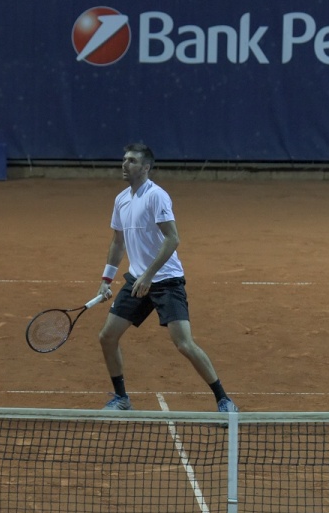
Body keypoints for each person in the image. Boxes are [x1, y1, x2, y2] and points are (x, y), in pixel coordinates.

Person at [96, 143, 239, 412]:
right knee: (107, 337)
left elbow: (173, 238)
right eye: (124, 159)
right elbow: (118, 242)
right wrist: (106, 280)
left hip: (166, 281)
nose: (124, 164)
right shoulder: (121, 199)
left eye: (132, 161)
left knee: (183, 343)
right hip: (138, 280)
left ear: (146, 167)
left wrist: (149, 276)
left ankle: (223, 399)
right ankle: (122, 398)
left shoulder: (157, 196)